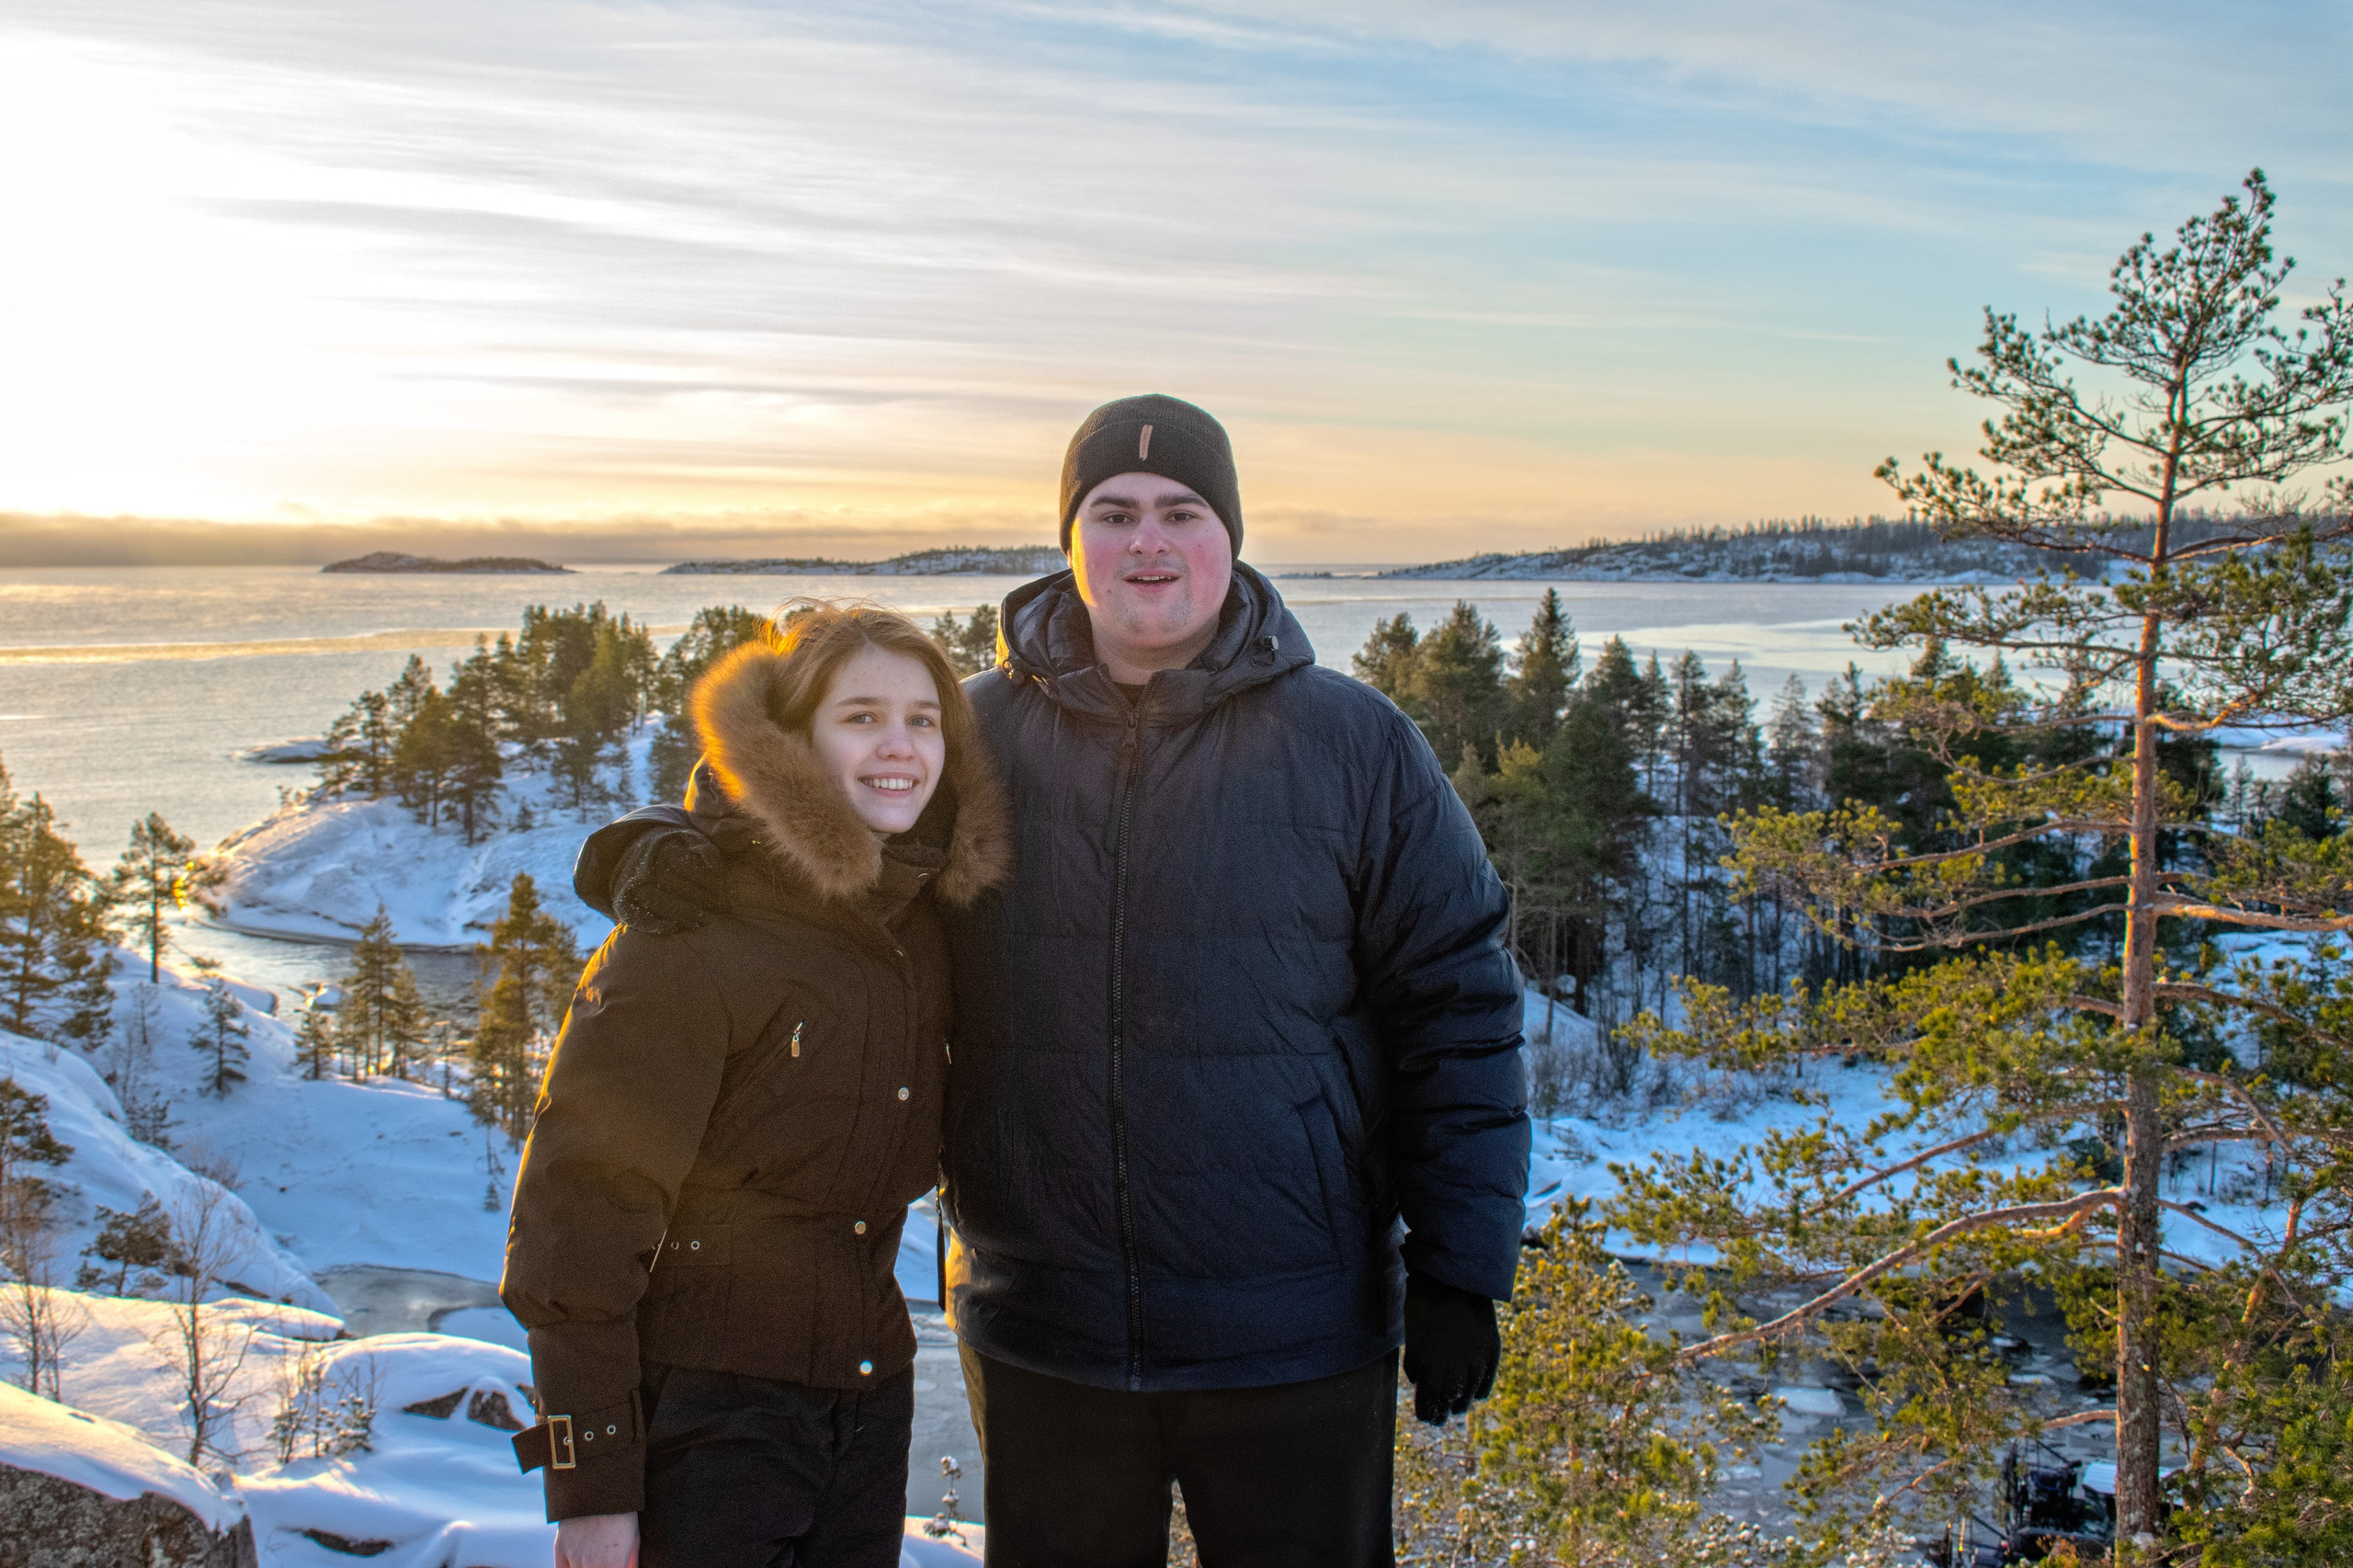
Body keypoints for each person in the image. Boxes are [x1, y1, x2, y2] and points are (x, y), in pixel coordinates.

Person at [579, 394, 1529, 1567]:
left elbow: (1459, 1006)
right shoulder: (971, 738)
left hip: (1296, 1327)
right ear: (1070, 539)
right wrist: (688, 850)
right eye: (1113, 511)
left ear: (1229, 535)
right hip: (1044, 1328)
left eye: (1182, 511)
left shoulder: (1352, 744)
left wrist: (1459, 1265)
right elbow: (823, 851)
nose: (1148, 540)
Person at [502, 601, 1008, 1568]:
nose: (899, 746)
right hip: (709, 1416)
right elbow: (578, 1213)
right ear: (793, 741)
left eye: (922, 717)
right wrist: (595, 1480)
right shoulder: (692, 926)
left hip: (869, 1401)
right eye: (860, 716)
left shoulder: (921, 919)